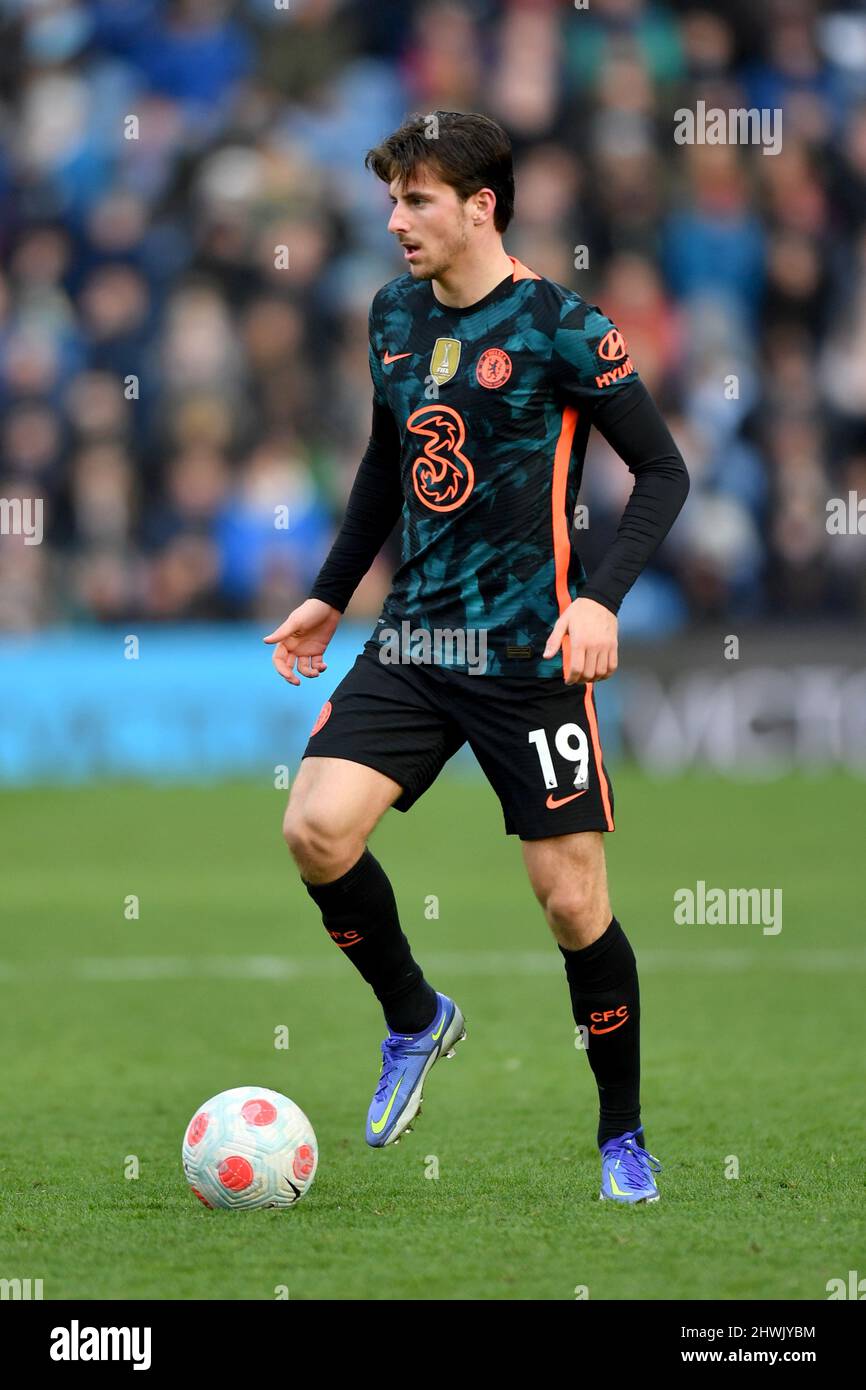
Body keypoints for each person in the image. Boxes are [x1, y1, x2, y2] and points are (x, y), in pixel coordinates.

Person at [264, 111, 689, 1203]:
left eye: (415, 201)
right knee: (312, 827)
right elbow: (381, 463)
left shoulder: (560, 325)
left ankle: (620, 1139)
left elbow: (661, 474)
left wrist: (598, 603)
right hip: (414, 639)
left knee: (568, 900)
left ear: (479, 207)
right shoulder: (392, 314)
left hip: (529, 653)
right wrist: (325, 595)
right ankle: (415, 1018)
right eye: (392, 199)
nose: (394, 220)